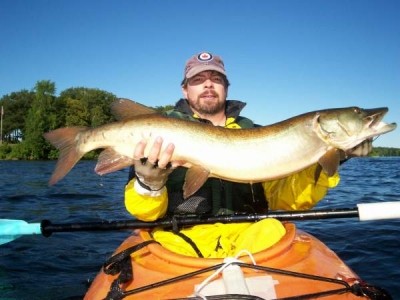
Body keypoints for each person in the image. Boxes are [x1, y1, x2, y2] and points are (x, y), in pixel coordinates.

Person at [124, 52, 372, 258]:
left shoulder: (255, 132)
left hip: (252, 240)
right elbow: (145, 214)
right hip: (179, 241)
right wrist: (149, 185)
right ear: (185, 89)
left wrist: (336, 158)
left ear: (226, 87)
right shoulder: (158, 132)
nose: (208, 84)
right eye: (198, 79)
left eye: (216, 78)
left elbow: (286, 202)